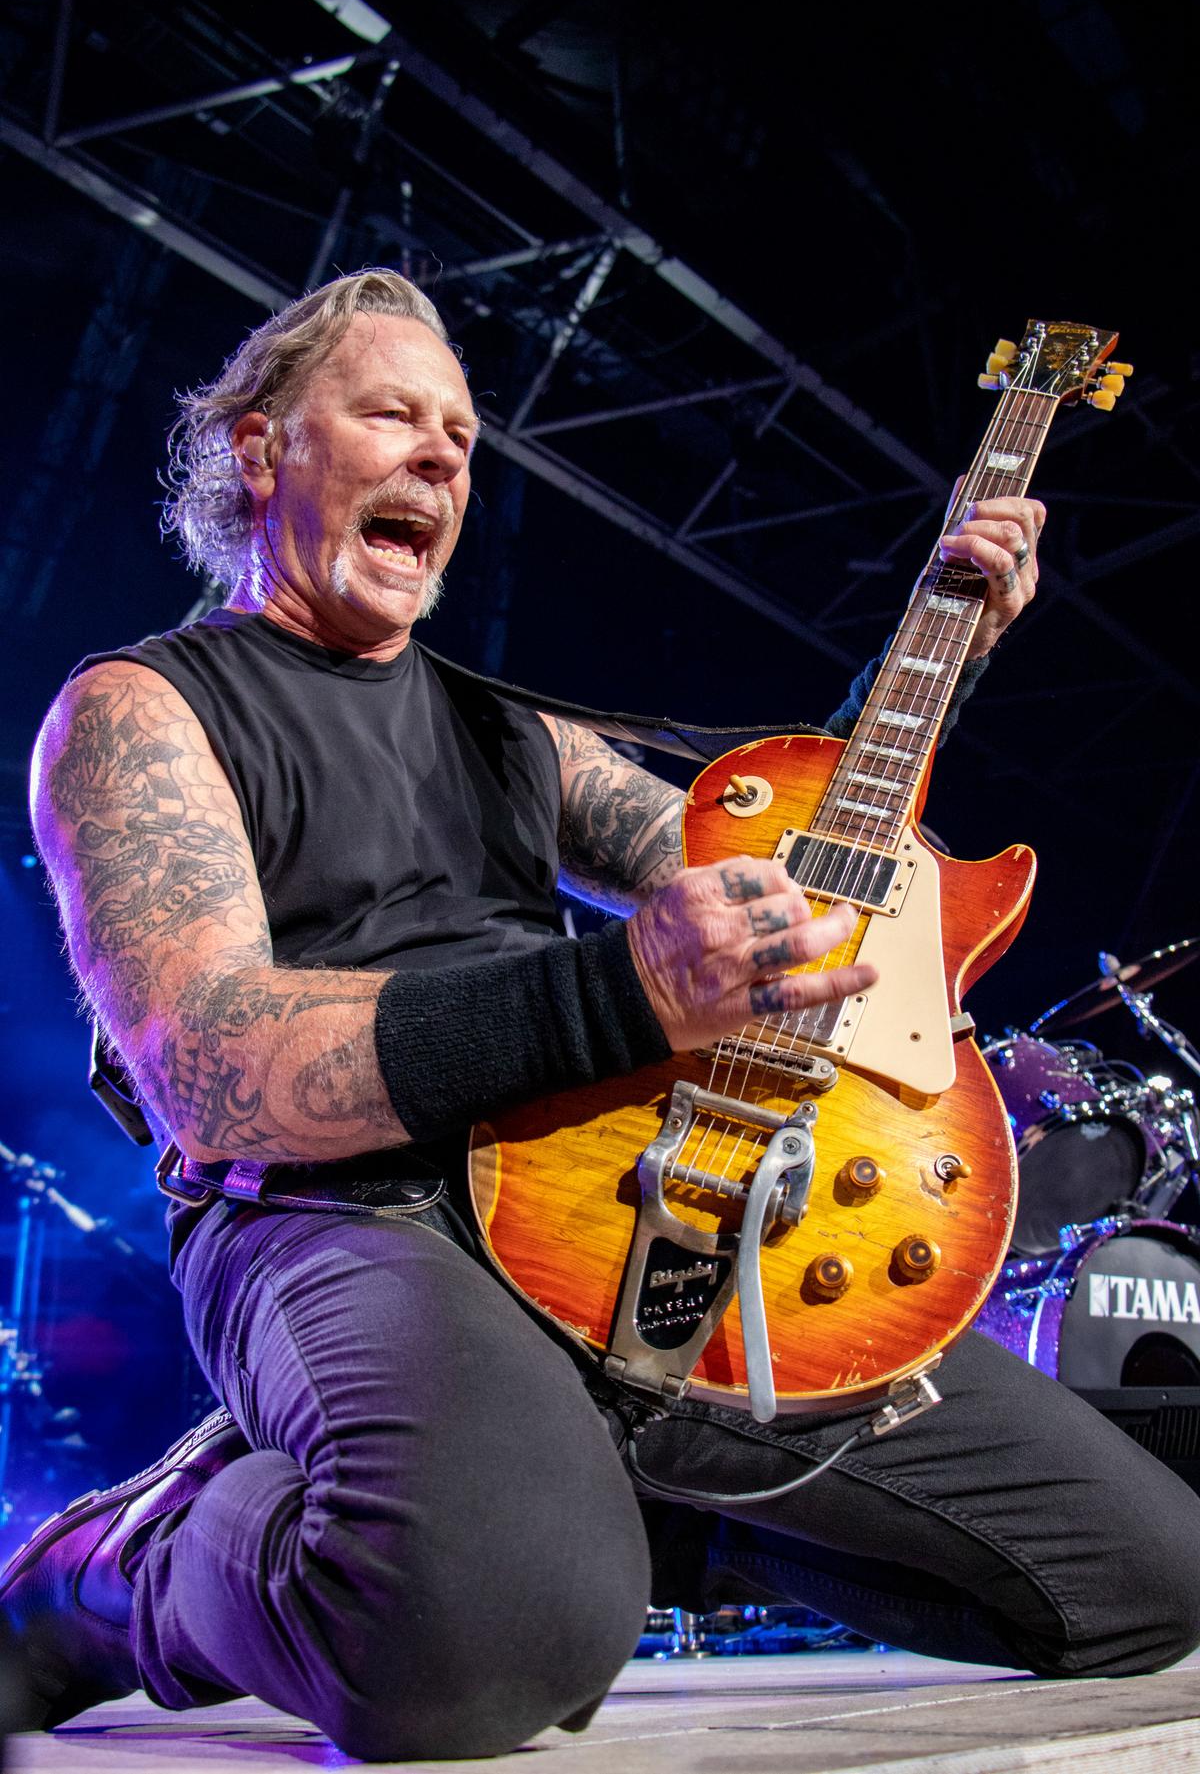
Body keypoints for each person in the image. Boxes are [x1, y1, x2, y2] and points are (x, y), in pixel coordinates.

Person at [3, 271, 1198, 1761]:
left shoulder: (515, 733)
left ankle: (627, 1506)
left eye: (461, 436)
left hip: (612, 1197)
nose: (442, 456)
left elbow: (785, 884)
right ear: (262, 448)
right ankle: (125, 1565)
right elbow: (213, 1067)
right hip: (351, 1212)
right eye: (392, 415)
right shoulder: (143, 709)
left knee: (1145, 1585)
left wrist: (936, 652)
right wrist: (628, 988)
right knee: (477, 1647)